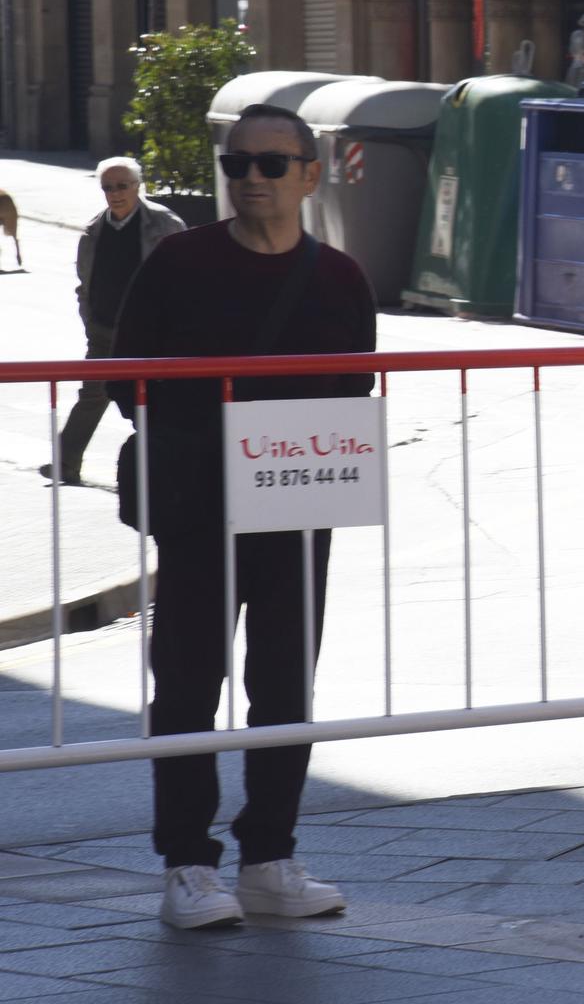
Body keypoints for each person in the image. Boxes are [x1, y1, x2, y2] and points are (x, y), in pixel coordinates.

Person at [110, 104, 376, 929]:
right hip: (199, 506)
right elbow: (126, 377)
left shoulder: (340, 278)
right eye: (237, 164)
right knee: (187, 681)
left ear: (309, 172)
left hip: (297, 502)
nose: (252, 178)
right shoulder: (178, 261)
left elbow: (353, 388)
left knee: (286, 682)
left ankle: (271, 855)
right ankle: (187, 863)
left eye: (270, 163)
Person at [39, 157, 185, 485]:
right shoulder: (94, 230)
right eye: (108, 187)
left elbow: (186, 278)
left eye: (122, 186)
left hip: (152, 334)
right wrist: (90, 321)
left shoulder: (163, 224)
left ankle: (167, 469)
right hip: (105, 332)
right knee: (92, 396)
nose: (115, 193)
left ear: (137, 186)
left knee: (155, 402)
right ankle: (65, 463)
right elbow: (84, 282)